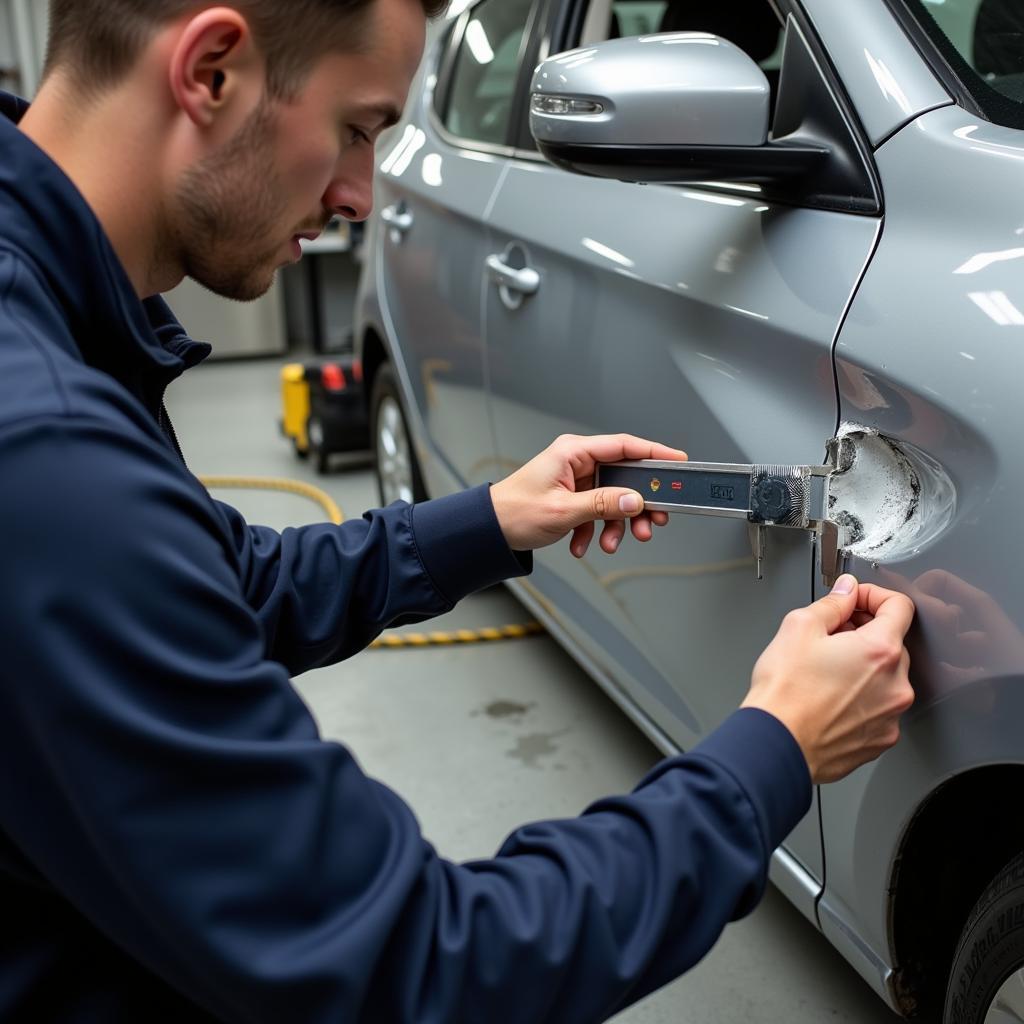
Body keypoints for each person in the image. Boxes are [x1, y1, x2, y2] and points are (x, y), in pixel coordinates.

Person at [0, 0, 915, 1020]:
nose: (361, 196)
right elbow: (418, 965)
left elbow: (213, 590)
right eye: (357, 128)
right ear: (211, 70)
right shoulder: (48, 458)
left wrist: (487, 521)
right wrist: (774, 753)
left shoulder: (46, 322)